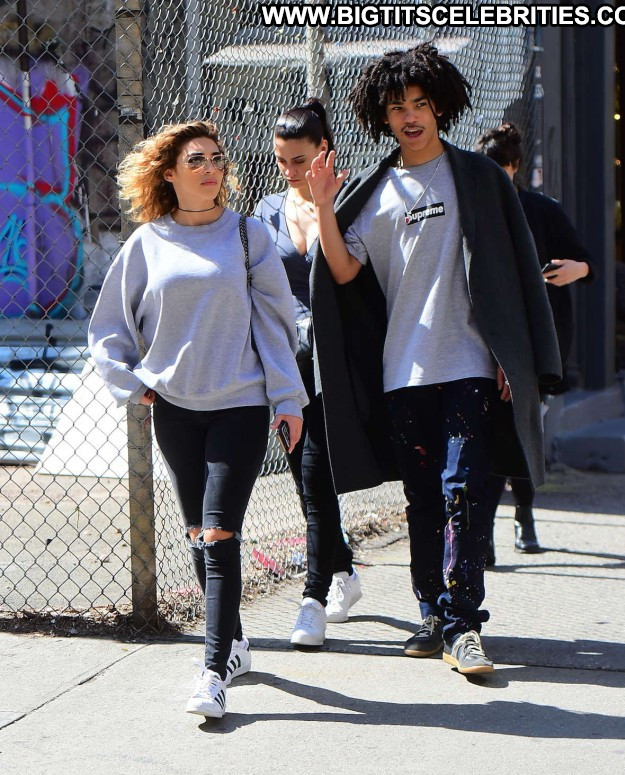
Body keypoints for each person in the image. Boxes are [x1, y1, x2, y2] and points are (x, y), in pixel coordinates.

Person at [307, 43, 561, 674]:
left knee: (462, 489)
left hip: (470, 364)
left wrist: (513, 356)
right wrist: (324, 205)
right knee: (422, 495)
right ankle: (431, 612)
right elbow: (343, 271)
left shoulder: (477, 177)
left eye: (420, 103)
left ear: (440, 106)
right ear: (382, 116)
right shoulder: (376, 191)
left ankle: (463, 623)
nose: (411, 116)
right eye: (398, 107)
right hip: (403, 372)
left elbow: (513, 272)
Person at [88, 120, 307, 718]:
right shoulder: (147, 243)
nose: (210, 169)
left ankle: (212, 672)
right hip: (176, 410)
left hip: (240, 404)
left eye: (216, 159)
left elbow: (277, 324)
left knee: (218, 532)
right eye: (196, 160)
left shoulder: (248, 236)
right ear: (169, 173)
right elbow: (108, 325)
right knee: (197, 534)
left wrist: (288, 399)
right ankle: (234, 644)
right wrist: (132, 382)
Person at [254, 99, 362, 647]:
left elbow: (350, 278)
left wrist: (324, 206)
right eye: (281, 160)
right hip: (287, 365)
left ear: (324, 150)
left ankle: (313, 598)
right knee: (306, 479)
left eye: (300, 159)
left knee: (317, 475)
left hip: (337, 362)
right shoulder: (267, 210)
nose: (290, 171)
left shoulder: (350, 198)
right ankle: (344, 570)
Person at [475, 122, 596, 560]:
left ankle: (521, 517)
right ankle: (487, 532)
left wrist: (571, 270)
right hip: (487, 342)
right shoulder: (473, 212)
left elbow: (586, 263)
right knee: (493, 434)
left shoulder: (542, 210)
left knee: (522, 431)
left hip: (538, 342)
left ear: (514, 167)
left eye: (499, 169)